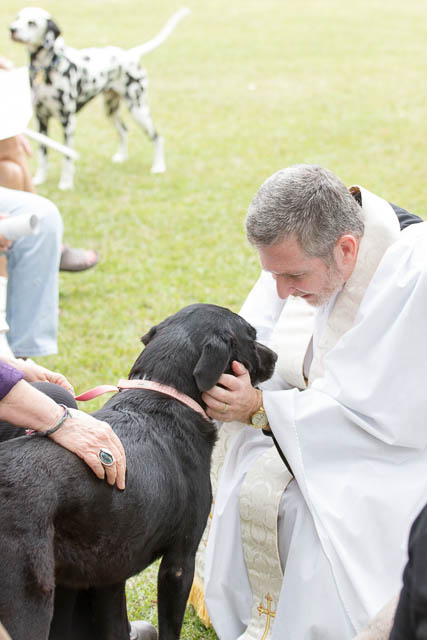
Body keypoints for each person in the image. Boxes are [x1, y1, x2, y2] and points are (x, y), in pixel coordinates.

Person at [199, 164, 427, 639]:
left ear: (346, 249)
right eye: (273, 274)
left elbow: (391, 415)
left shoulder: (414, 276)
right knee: (246, 467)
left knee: (311, 517)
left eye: (293, 276)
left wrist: (261, 408)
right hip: (307, 429)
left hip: (397, 456)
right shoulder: (304, 245)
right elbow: (261, 335)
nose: (282, 291)